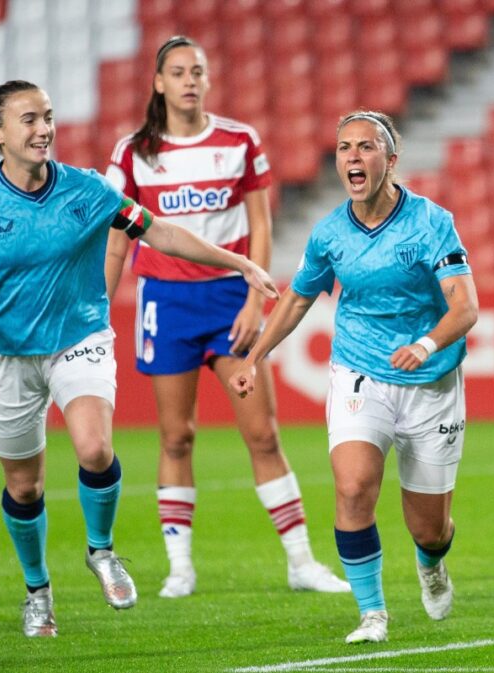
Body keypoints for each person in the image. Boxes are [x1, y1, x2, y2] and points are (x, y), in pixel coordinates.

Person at [0, 80, 278, 637]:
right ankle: (38, 590)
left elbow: (164, 233)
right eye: (29, 120)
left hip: (79, 340)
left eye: (48, 117)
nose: (43, 130)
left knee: (94, 446)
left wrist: (238, 262)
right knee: (25, 488)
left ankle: (102, 551)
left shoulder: (89, 190)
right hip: (8, 358)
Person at [105, 35, 349, 599]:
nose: (191, 79)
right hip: (164, 303)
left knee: (262, 433)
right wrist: (101, 302)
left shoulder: (239, 140)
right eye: (179, 71)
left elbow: (261, 225)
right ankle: (180, 567)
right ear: (159, 83)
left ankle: (300, 562)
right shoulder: (132, 152)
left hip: (227, 302)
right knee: (176, 436)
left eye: (199, 70)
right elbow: (117, 233)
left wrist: (253, 298)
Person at [229, 111, 479, 643]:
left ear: (391, 160)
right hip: (359, 374)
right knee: (353, 487)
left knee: (429, 529)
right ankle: (372, 614)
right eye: (344, 148)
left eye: (366, 147)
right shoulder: (329, 234)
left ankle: (431, 562)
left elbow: (465, 309)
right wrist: (255, 357)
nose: (353, 157)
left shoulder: (433, 223)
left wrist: (425, 343)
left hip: (431, 380)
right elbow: (297, 298)